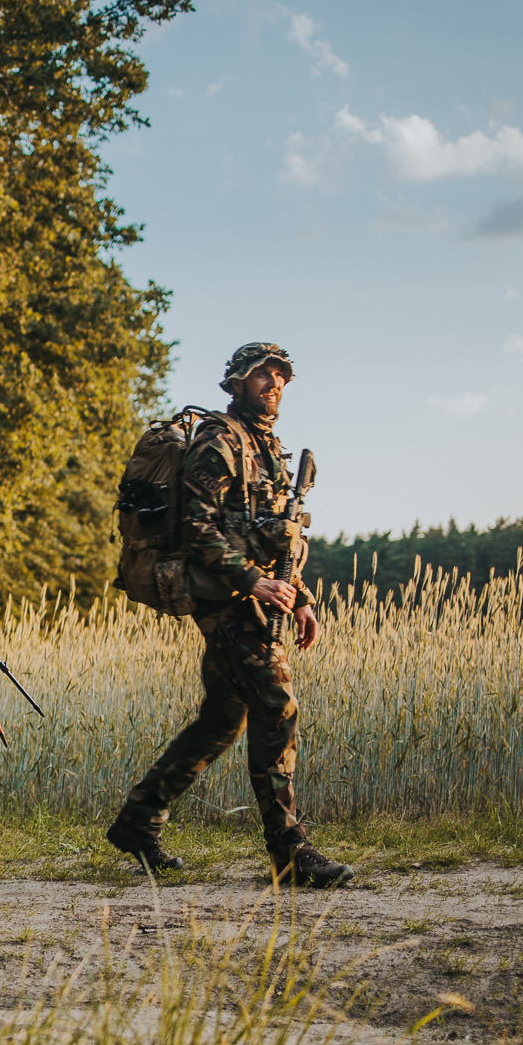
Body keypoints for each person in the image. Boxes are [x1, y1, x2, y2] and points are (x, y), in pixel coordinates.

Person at [106, 342, 355, 888]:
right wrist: (253, 582)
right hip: (228, 600)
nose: (273, 384)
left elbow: (270, 537)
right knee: (277, 704)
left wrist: (302, 596)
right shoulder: (220, 442)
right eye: (262, 375)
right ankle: (290, 853)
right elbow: (198, 528)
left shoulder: (268, 447)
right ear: (236, 383)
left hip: (256, 595)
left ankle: (137, 821)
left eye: (281, 376)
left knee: (223, 720)